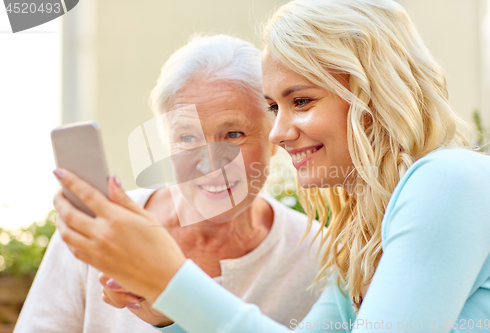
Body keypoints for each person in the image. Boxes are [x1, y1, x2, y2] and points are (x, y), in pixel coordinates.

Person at [52, 0, 490, 332]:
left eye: (300, 101)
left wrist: (174, 281)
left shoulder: (450, 180)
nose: (277, 131)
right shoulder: (363, 242)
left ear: (373, 96)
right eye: (272, 106)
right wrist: (168, 312)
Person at [14, 35, 327, 333]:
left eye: (234, 135)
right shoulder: (100, 231)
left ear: (273, 137)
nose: (209, 165)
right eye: (187, 137)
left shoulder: (317, 253)